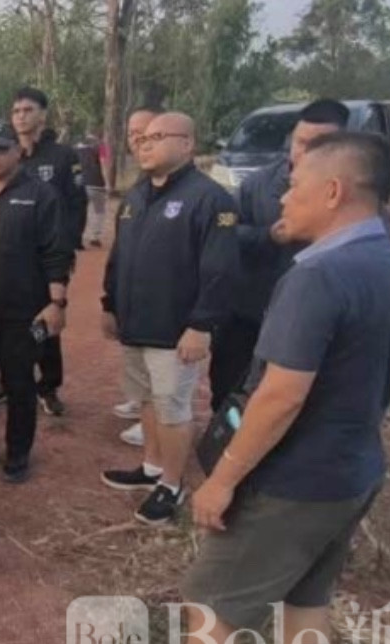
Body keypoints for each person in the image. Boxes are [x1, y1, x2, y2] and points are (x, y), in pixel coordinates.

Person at [182, 132, 390, 644]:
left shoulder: (317, 276)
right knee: (307, 602)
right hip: (351, 473)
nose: (283, 198)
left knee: (213, 609)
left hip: (291, 484)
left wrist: (223, 479)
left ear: (333, 191)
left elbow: (281, 395)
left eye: (294, 185)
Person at [99, 112, 239, 526]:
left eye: (158, 137)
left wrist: (201, 325)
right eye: (142, 138)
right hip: (135, 323)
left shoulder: (210, 199)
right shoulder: (136, 195)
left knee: (172, 408)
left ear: (187, 144)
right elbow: (118, 256)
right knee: (145, 398)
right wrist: (110, 304)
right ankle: (152, 466)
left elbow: (220, 270)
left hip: (176, 331)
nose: (145, 144)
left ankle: (172, 484)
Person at [210, 99, 349, 412]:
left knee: (294, 401)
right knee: (228, 393)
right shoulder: (257, 186)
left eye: (320, 144)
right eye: (301, 142)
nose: (306, 152)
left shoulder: (353, 196)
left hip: (312, 321)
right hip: (249, 312)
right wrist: (268, 236)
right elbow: (226, 234)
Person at [0, 120, 73, 483]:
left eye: (0, 149)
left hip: (24, 312)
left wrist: (57, 303)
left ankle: (17, 455)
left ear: (18, 151)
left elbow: (56, 252)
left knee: (19, 385)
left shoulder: (42, 195)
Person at [11, 86, 88, 418]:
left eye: (28, 110)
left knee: (45, 318)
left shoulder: (62, 157)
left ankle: (48, 384)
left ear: (43, 115)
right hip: (12, 254)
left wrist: (65, 247)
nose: (21, 117)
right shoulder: (7, 154)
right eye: (16, 111)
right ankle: (12, 377)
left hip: (48, 257)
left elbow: (77, 203)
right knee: (9, 318)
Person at [112, 106, 163, 448]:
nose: (137, 140)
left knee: (160, 367)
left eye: (144, 133)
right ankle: (140, 404)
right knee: (135, 357)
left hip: (162, 296)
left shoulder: (175, 185)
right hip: (133, 292)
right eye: (132, 133)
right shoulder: (138, 185)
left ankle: (155, 425)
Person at [76, 131, 108, 247]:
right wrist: (107, 183)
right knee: (99, 211)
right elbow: (103, 165)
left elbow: (76, 167)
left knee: (81, 211)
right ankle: (95, 236)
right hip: (97, 184)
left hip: (82, 184)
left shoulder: (78, 150)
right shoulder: (101, 147)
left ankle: (78, 236)